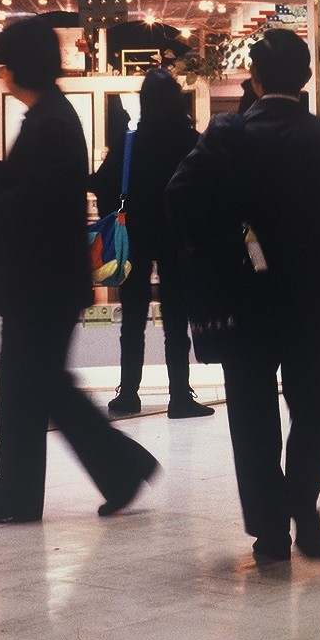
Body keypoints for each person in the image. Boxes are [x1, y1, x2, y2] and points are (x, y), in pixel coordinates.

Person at [164, 28, 320, 565]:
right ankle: (300, 500)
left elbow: (177, 197)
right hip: (310, 299)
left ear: (255, 79)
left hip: (243, 299)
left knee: (252, 413)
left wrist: (225, 235)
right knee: (318, 412)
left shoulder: (227, 134)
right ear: (307, 79)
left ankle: (270, 532)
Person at [0, 18, 159, 525]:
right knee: (35, 387)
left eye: (1, 62)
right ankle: (105, 472)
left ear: (16, 67)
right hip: (45, 282)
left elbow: (40, 200)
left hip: (42, 283)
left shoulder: (52, 121)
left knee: (30, 388)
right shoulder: (50, 116)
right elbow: (35, 181)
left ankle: (58, 483)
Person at [104, 68, 210, 420]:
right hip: (178, 239)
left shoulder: (130, 141)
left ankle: (128, 394)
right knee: (176, 318)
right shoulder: (191, 140)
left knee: (132, 318)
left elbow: (105, 184)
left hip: (135, 237)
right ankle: (180, 395)